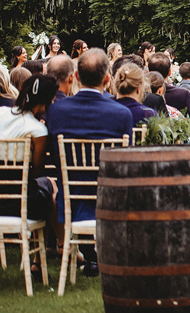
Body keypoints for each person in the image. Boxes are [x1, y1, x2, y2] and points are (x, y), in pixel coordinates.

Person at [45, 48, 132, 276]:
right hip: (110, 200)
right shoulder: (122, 114)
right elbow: (126, 164)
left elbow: (55, 157)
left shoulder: (56, 111)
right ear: (107, 79)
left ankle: (87, 253)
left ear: (75, 77)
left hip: (70, 200)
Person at [0, 74, 59, 280]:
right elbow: (37, 172)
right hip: (21, 205)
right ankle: (51, 252)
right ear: (46, 101)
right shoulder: (37, 130)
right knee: (48, 184)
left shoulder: (1, 113)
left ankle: (45, 257)